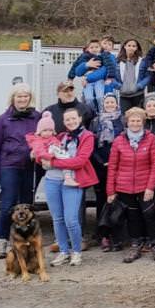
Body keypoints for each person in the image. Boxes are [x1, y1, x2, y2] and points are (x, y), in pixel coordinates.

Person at [0, 83, 41, 259]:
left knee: (26, 204)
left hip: (29, 166)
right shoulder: (2, 120)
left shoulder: (36, 117)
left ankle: (26, 240)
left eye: (26, 96)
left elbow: (43, 139)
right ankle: (2, 241)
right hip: (8, 166)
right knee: (8, 205)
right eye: (19, 96)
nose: (23, 99)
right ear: (13, 98)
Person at [107, 107, 155, 264]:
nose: (135, 123)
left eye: (138, 120)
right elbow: (112, 166)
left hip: (145, 185)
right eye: (132, 120)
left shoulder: (151, 138)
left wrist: (150, 187)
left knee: (150, 215)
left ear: (143, 122)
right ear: (127, 122)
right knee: (132, 217)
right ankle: (135, 244)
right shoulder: (119, 140)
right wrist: (111, 190)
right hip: (124, 186)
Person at [41, 108, 98, 267]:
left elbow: (80, 161)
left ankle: (77, 251)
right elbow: (44, 156)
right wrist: (40, 157)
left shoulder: (87, 137)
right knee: (57, 218)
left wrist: (53, 163)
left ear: (80, 118)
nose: (71, 122)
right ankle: (64, 251)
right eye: (67, 120)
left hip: (72, 181)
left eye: (73, 118)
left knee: (71, 219)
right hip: (52, 180)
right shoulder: (60, 136)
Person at [89, 93, 125, 251]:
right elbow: (92, 145)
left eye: (112, 102)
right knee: (102, 201)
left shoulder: (122, 120)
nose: (110, 104)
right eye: (107, 102)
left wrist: (118, 162)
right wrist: (102, 162)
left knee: (120, 202)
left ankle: (118, 235)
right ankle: (103, 235)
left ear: (117, 104)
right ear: (103, 104)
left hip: (121, 166)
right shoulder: (96, 121)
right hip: (101, 166)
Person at [26, 111, 77, 187]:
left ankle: (67, 178)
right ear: (39, 131)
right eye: (45, 130)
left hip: (53, 158)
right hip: (45, 160)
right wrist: (50, 155)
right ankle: (68, 178)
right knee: (65, 158)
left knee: (66, 159)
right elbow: (39, 151)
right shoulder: (37, 141)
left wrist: (59, 149)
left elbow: (58, 145)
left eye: (50, 130)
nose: (48, 133)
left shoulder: (52, 138)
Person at [69, 38, 118, 112]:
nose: (106, 46)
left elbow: (104, 71)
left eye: (109, 44)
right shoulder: (85, 56)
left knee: (100, 98)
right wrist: (86, 65)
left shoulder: (108, 58)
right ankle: (92, 113)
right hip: (89, 86)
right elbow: (77, 71)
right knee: (89, 99)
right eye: (105, 43)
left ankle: (101, 113)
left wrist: (87, 78)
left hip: (104, 89)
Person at [118, 38, 150, 112]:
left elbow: (148, 76)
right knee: (125, 117)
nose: (131, 47)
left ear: (137, 48)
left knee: (139, 115)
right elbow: (112, 77)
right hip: (124, 95)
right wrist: (120, 86)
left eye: (133, 46)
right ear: (124, 46)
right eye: (129, 45)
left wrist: (139, 85)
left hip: (138, 94)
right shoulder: (117, 61)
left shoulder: (142, 61)